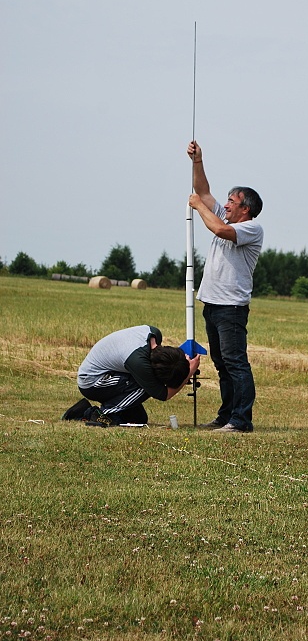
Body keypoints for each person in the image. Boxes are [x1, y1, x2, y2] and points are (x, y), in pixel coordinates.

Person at [186, 141, 263, 433]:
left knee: (235, 363)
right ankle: (227, 415)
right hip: (213, 306)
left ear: (246, 209)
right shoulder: (226, 217)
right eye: (227, 201)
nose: (226, 205)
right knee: (222, 364)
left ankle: (241, 420)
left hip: (231, 308)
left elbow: (218, 228)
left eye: (232, 201)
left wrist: (197, 206)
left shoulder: (251, 228)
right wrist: (198, 161)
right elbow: (203, 192)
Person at [62, 325, 200, 426]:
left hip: (110, 374)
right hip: (91, 382)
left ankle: (82, 411)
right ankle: (101, 414)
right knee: (145, 386)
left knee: (138, 419)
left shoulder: (154, 334)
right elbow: (163, 394)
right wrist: (189, 372)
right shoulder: (139, 363)